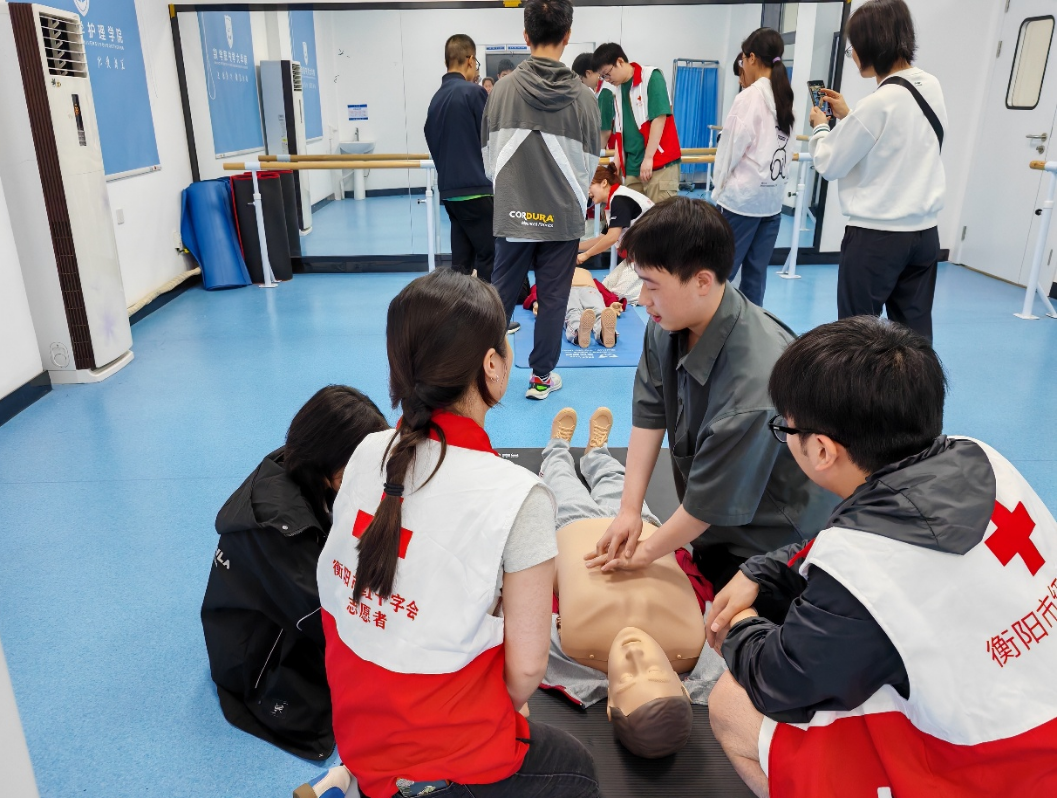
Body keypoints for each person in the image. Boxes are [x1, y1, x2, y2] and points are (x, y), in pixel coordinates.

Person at [705, 316, 1057, 798]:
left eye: (785, 427)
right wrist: (762, 571)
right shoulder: (981, 457)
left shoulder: (866, 558)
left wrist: (740, 625)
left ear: (822, 450)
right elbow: (858, 540)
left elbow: (782, 682)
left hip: (997, 766)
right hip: (1028, 703)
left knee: (730, 702)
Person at [315, 269, 601, 798]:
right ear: (492, 365)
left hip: (357, 730)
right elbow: (527, 671)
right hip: (436, 760)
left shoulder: (365, 452)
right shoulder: (516, 495)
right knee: (577, 769)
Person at [585, 198, 834, 598]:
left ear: (702, 281)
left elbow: (706, 506)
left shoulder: (754, 384)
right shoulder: (667, 321)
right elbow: (650, 412)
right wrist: (629, 511)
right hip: (712, 524)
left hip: (774, 546)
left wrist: (643, 554)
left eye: (652, 286)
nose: (642, 299)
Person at [201, 385, 388, 761]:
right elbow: (332, 621)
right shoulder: (281, 530)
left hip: (265, 610)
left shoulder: (298, 463)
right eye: (360, 464)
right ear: (330, 461)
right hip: (257, 662)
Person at [482, 0, 600, 400]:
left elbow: (489, 156)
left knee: (500, 297)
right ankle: (540, 377)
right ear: (567, 36)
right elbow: (589, 163)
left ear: (526, 36)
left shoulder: (501, 91)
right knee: (553, 300)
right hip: (561, 217)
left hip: (513, 212)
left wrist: (512, 192)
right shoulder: (585, 98)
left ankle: (483, 373)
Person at [808, 0, 946, 341]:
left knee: (857, 337)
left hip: (876, 239)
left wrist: (821, 127)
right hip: (924, 234)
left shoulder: (877, 104)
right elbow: (894, 140)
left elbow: (829, 163)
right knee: (914, 337)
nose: (853, 55)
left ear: (871, 45)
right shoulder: (930, 86)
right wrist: (850, 116)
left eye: (854, 47)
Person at [711, 29, 794, 307]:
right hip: (771, 203)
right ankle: (750, 329)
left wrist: (718, 189)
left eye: (743, 60)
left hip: (741, 203)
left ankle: (713, 328)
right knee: (755, 278)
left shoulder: (749, 97)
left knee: (721, 273)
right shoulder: (784, 95)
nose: (743, 66)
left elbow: (729, 150)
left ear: (752, 58)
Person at [425, 34, 495, 282]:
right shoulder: (473, 92)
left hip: (450, 194)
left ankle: (457, 306)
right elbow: (490, 139)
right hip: (476, 190)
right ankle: (488, 308)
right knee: (490, 255)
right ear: (470, 60)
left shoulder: (436, 99)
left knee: (462, 262)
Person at [592, 42, 681, 202]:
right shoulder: (618, 91)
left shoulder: (651, 77)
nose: (607, 80)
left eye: (607, 74)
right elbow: (621, 132)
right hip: (633, 168)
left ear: (620, 61)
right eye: (602, 77)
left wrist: (648, 158)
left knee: (660, 215)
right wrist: (616, 163)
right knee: (633, 216)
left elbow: (659, 118)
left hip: (659, 165)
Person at [577, 163, 653, 304]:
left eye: (590, 186)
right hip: (639, 255)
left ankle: (657, 290)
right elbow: (602, 238)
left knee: (619, 295)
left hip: (653, 256)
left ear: (604, 183)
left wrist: (585, 255)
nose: (588, 192)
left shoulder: (620, 200)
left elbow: (612, 238)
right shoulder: (614, 200)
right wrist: (574, 247)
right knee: (605, 288)